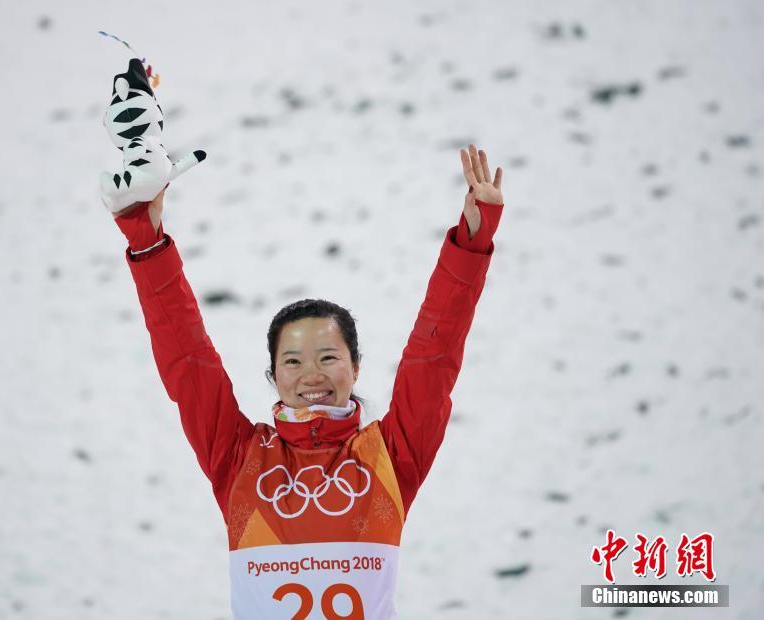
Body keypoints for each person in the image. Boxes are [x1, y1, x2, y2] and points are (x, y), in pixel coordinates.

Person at [102, 54, 505, 620]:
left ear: (355, 368)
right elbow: (187, 360)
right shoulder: (239, 458)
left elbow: (433, 360)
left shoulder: (391, 457)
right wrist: (145, 241)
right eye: (292, 360)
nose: (310, 374)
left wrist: (470, 245)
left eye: (327, 356)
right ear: (273, 375)